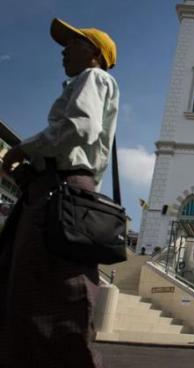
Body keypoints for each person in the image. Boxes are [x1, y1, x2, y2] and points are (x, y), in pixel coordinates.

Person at [0, 18, 118, 367]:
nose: (64, 50)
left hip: (61, 191)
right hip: (54, 187)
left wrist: (24, 149)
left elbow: (79, 127)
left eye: (74, 42)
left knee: (54, 290)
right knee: (35, 287)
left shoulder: (93, 78)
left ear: (95, 53)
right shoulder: (87, 81)